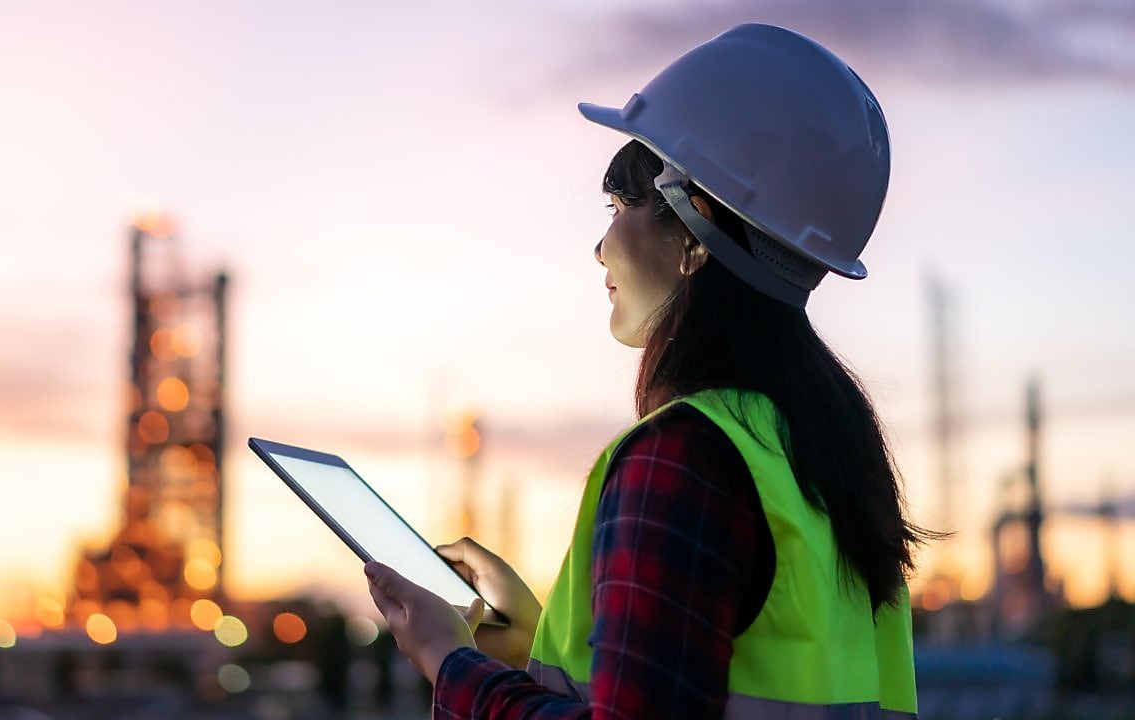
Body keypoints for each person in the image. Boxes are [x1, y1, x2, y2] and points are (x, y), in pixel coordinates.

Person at [365, 23, 931, 719]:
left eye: (622, 205)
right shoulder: (822, 453)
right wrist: (530, 644)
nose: (600, 247)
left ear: (695, 231)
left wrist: (446, 658)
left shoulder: (683, 458)